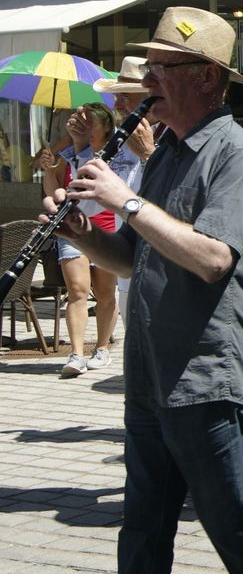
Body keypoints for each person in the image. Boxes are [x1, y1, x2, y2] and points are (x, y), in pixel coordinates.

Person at [41, 6, 243, 572]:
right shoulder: (166, 153)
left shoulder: (238, 155)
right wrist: (82, 233)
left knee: (233, 522)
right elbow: (132, 259)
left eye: (160, 67)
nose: (146, 80)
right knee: (143, 524)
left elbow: (213, 259)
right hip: (150, 371)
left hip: (203, 375)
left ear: (206, 76)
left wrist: (125, 200)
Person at [38, 102, 127, 377]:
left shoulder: (116, 155)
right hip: (73, 227)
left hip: (106, 227)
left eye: (88, 120)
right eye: (77, 117)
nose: (79, 122)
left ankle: (101, 348)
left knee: (105, 293)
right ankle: (76, 354)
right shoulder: (66, 154)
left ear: (105, 128)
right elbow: (54, 192)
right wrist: (49, 170)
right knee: (77, 290)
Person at [92, 56, 159, 329]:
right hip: (128, 244)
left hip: (158, 251)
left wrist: (148, 155)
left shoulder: (172, 135)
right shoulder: (123, 135)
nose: (117, 104)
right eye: (116, 97)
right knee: (131, 322)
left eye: (125, 97)